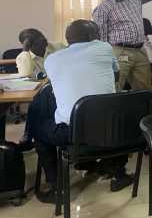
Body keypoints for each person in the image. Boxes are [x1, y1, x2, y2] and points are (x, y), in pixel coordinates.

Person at [33, 20, 130, 203]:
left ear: (68, 39)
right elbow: (116, 76)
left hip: (71, 133)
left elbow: (57, 86)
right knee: (111, 114)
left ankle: (56, 187)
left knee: (38, 130)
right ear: (92, 37)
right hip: (111, 130)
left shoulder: (52, 59)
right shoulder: (105, 48)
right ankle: (115, 170)